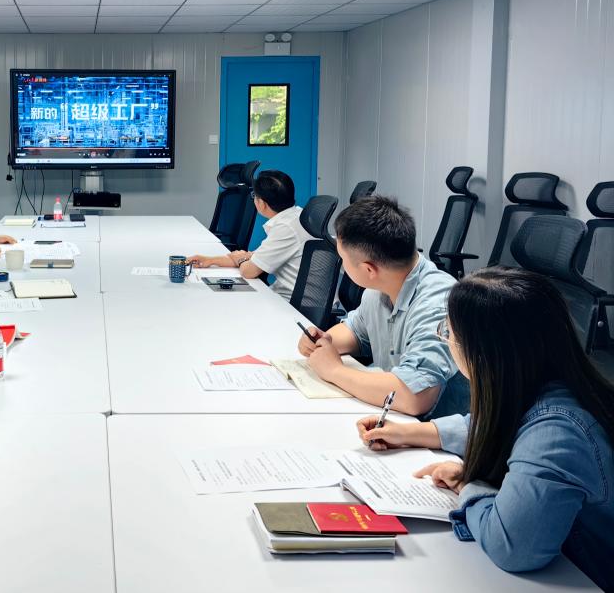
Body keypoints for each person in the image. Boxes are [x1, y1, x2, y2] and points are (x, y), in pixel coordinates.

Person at [356, 268, 614, 589]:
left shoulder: (557, 433)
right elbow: (491, 426)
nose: (447, 340)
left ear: (482, 351)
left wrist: (468, 487)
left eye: (448, 332)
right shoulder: (540, 381)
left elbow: (511, 547)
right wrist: (409, 433)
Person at [297, 195, 467, 418]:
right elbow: (356, 331)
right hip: (391, 418)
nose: (342, 265)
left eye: (343, 259)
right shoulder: (381, 287)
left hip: (429, 430)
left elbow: (415, 397)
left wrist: (334, 370)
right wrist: (323, 342)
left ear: (369, 270)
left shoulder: (437, 303)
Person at [188, 170, 311, 299]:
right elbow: (253, 258)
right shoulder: (297, 215)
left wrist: (241, 259)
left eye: (254, 196)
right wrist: (209, 260)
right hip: (290, 297)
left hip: (289, 303)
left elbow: (248, 271)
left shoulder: (285, 228)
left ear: (261, 203)